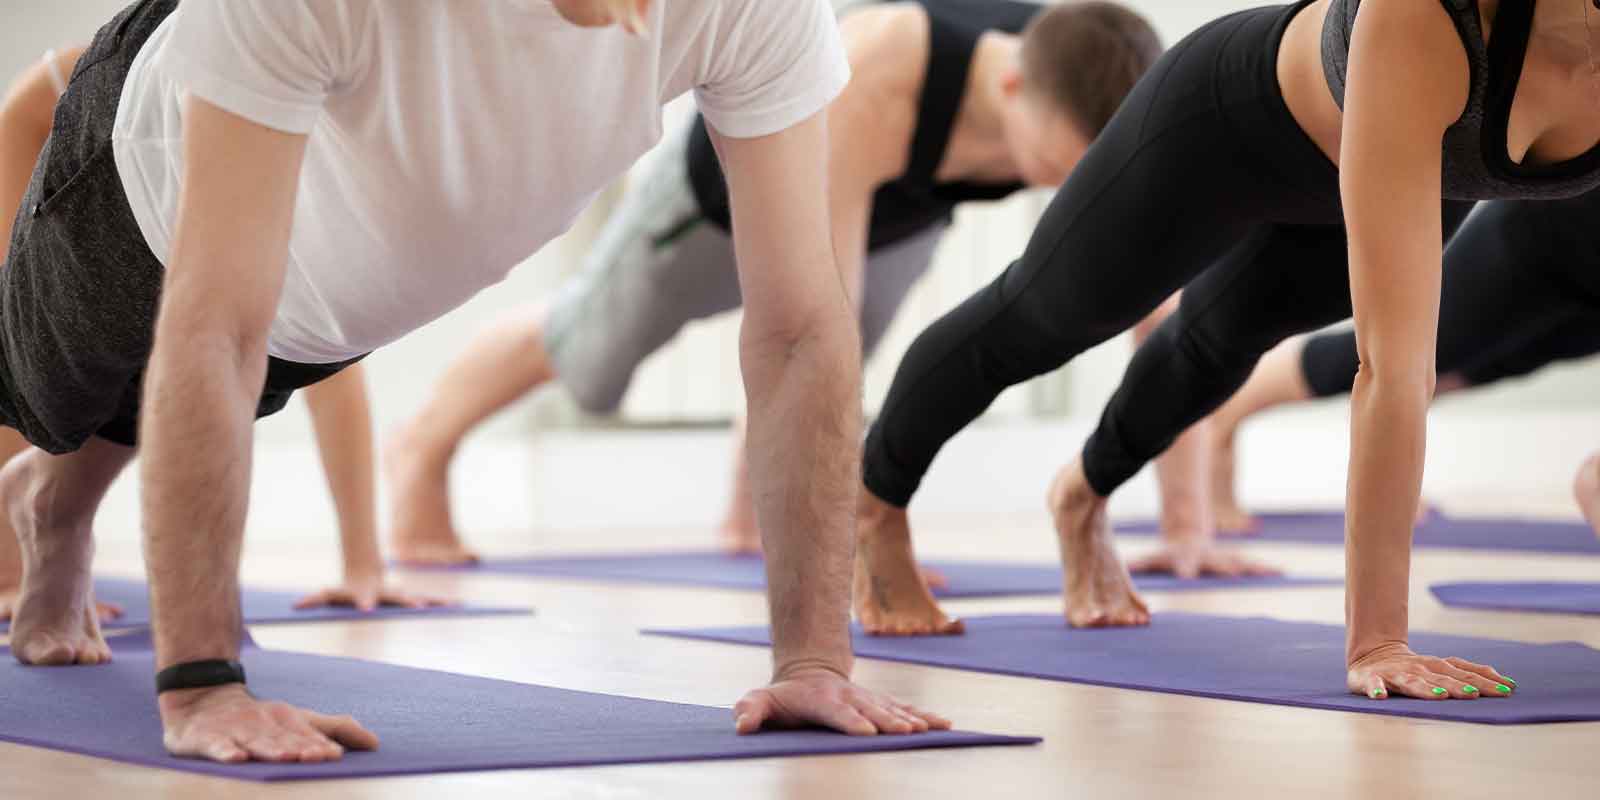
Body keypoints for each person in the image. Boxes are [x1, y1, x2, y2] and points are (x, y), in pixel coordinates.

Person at [0, 0, 944, 766]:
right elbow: (214, 328)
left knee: (191, 391)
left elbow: (798, 329)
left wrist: (815, 659)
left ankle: (56, 506)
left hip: (347, 282)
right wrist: (202, 680)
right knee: (55, 397)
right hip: (136, 187)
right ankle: (55, 504)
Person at [853, 0, 1593, 704]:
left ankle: (1081, 493)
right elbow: (1395, 374)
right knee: (1046, 315)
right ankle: (875, 508)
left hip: (1373, 187)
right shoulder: (1426, 19)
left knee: (1214, 349)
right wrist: (1379, 643)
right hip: (1223, 128)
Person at [385, 0, 1192, 571]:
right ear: (1010, 89)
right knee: (593, 348)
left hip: (902, 214)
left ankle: (747, 517)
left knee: (858, 338)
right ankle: (421, 449)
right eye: (1051, 171)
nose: (1060, 194)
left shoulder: (1091, 89)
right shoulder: (885, 72)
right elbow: (806, 320)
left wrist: (1186, 529)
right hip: (725, 193)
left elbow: (1162, 320)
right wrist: (857, 540)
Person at [0, 47, 438, 620]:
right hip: (48, 134)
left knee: (280, 327)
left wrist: (363, 567)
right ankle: (14, 561)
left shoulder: (326, 121)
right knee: (34, 348)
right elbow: (18, 351)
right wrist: (14, 579)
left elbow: (330, 357)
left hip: (196, 138)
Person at [1205, 192, 1600, 535]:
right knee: (1398, 353)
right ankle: (1224, 411)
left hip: (1582, 262)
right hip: (1550, 233)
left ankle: (1388, 464)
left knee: (1472, 368)